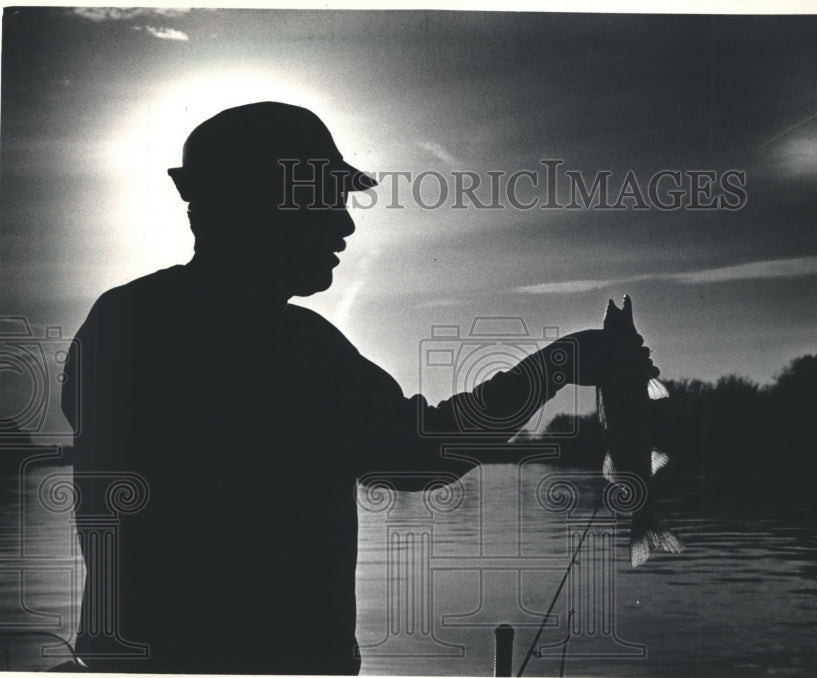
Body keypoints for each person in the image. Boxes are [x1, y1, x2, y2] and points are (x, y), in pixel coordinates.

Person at [60, 101, 658, 674]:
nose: (345, 222)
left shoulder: (119, 321)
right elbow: (422, 452)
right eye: (325, 198)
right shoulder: (291, 347)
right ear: (259, 203)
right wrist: (557, 366)